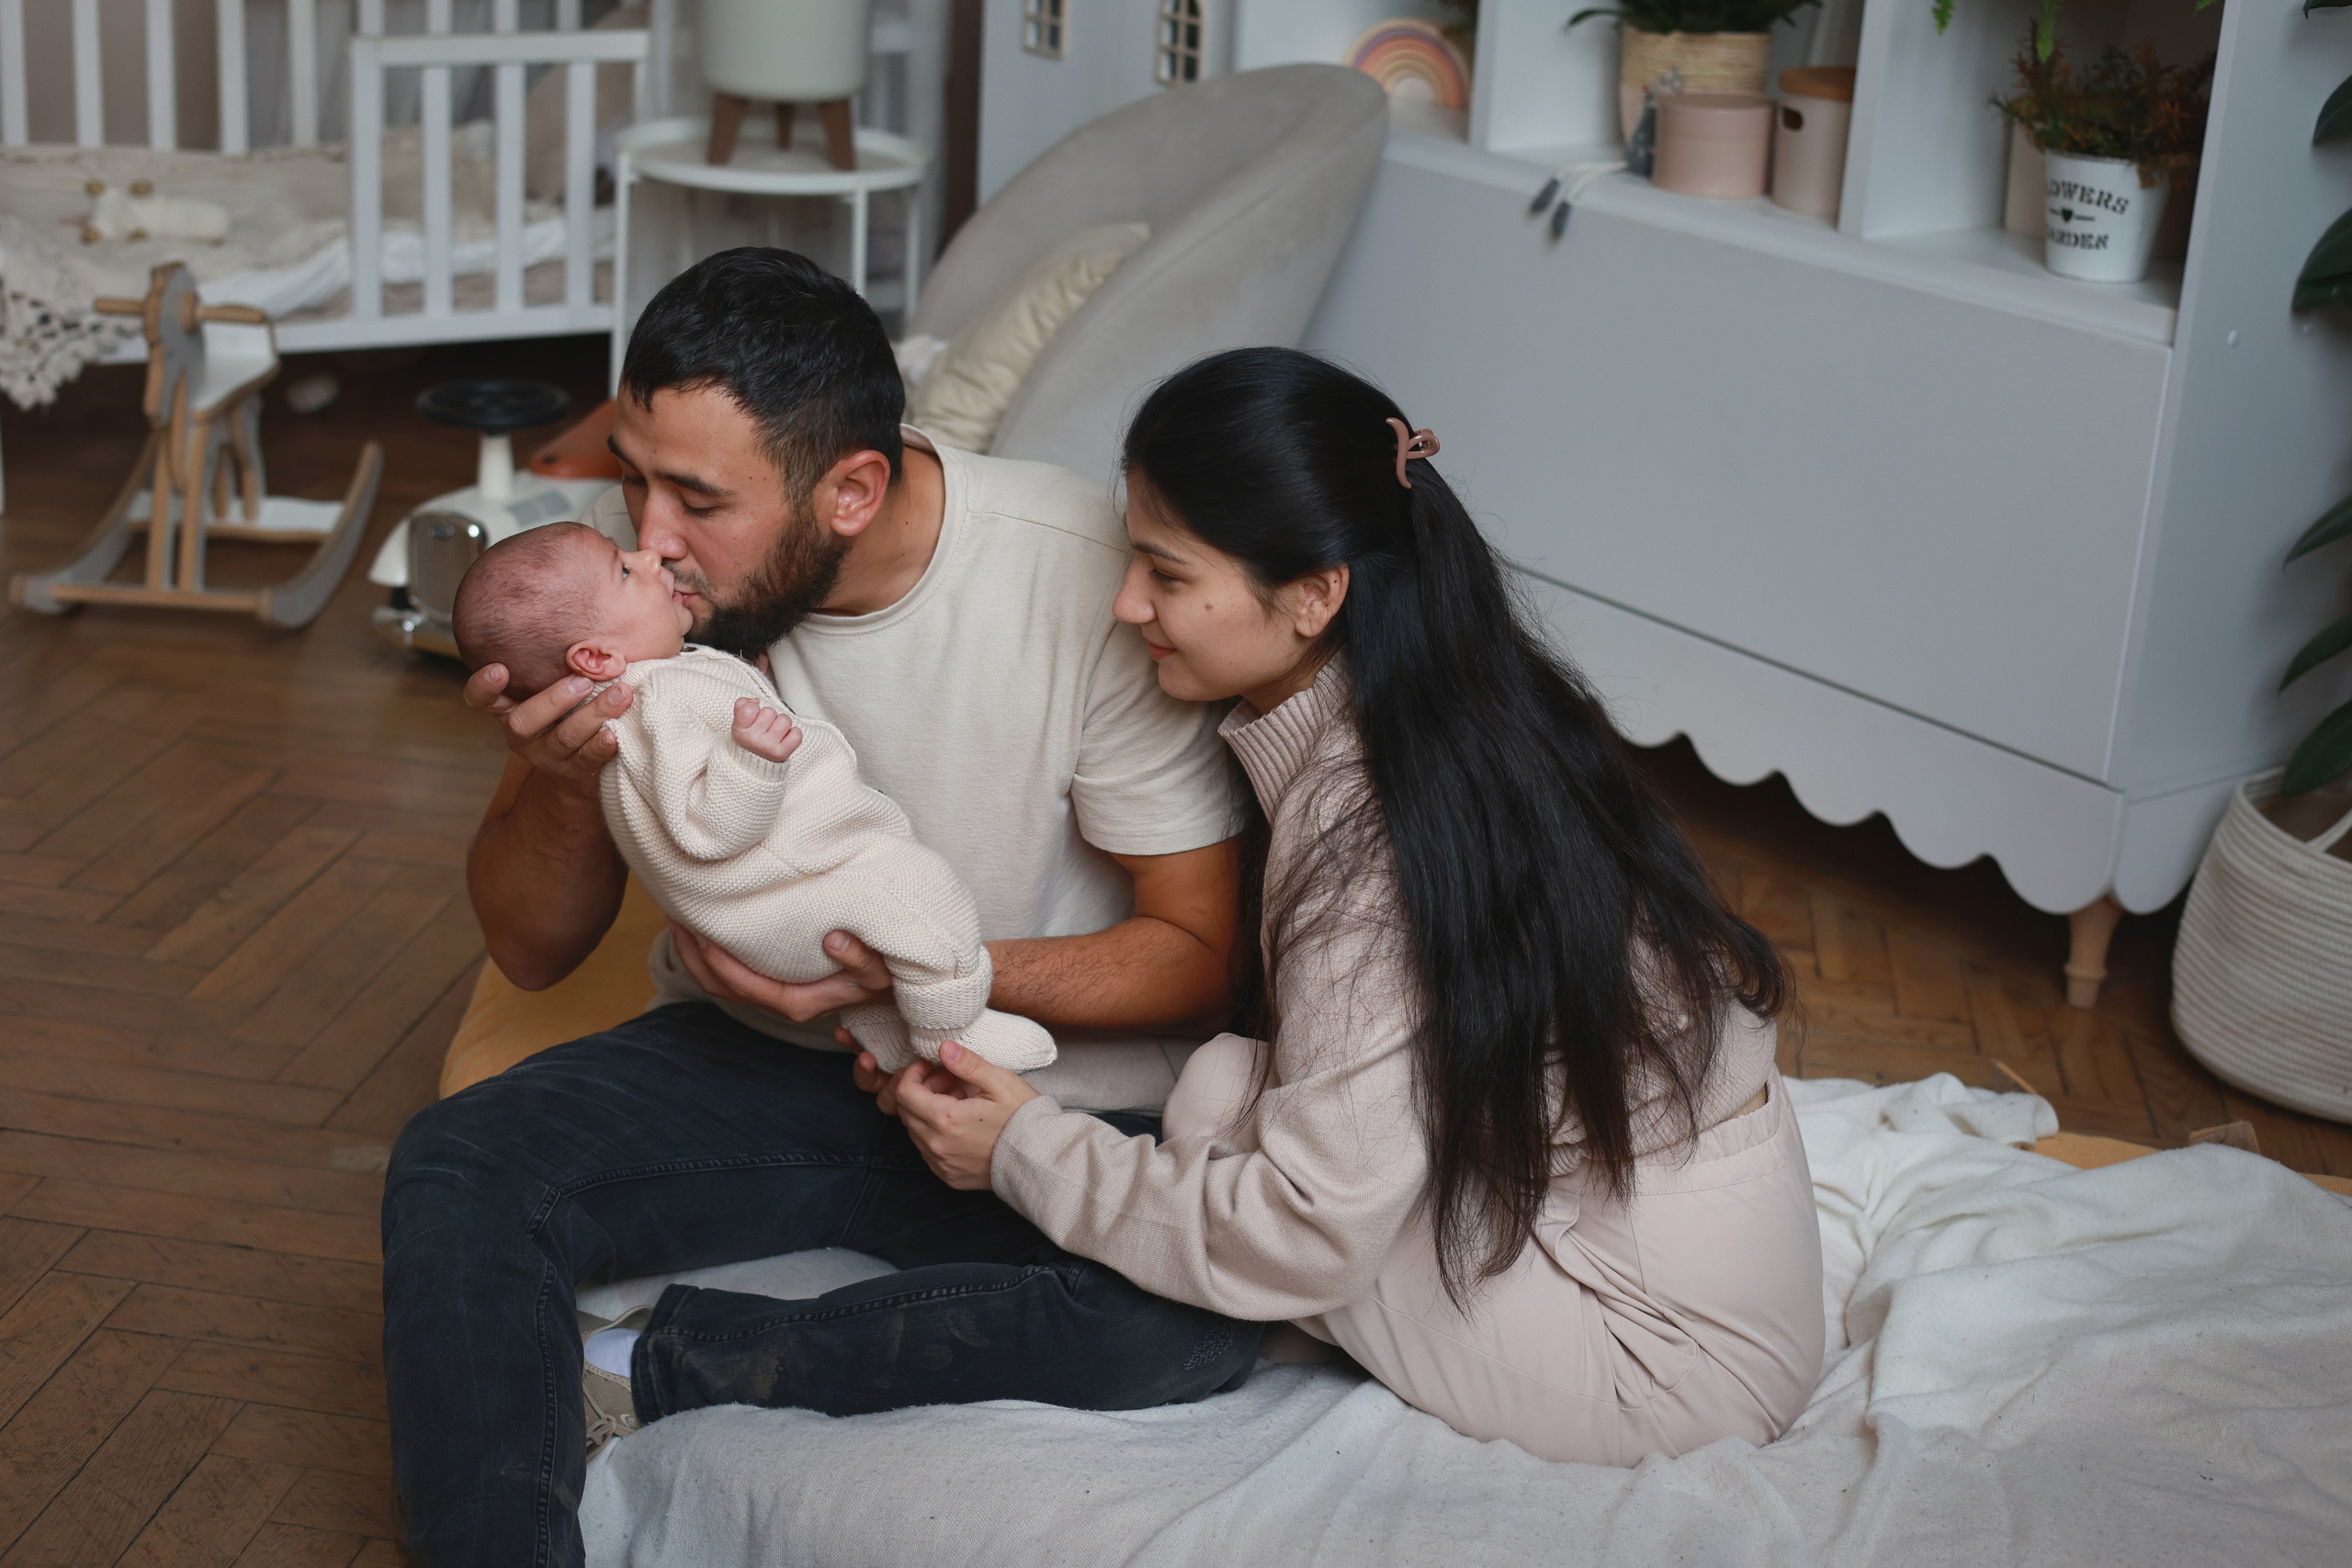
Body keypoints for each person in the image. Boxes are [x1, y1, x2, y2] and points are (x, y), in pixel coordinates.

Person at [380, 249, 1258, 1568]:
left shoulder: (1081, 577)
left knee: (1183, 1312)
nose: (650, 537)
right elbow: (531, 946)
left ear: (850, 489)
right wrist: (560, 779)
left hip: (1023, 1086)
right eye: (633, 477)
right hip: (756, 1062)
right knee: (459, 1168)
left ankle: (662, 1368)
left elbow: (1197, 953)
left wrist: (915, 973)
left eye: (697, 499)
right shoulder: (623, 606)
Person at [870, 347, 1827, 1465]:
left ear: (1316, 594)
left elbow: (1301, 1235)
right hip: (1671, 1239)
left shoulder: (1369, 832)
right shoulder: (1446, 698)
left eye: (1166, 573)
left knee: (1218, 1112)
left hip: (1661, 1358)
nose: (1127, 604)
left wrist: (1023, 1152)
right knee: (1231, 1093)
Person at [447, 522, 1055, 1072]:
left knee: (890, 925)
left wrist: (747, 685)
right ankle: (954, 1034)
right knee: (926, 894)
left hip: (785, 897)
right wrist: (752, 759)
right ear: (597, 657)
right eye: (626, 571)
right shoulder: (656, 703)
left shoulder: (660, 681)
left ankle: (893, 1044)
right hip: (795, 891)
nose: (651, 554)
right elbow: (705, 830)